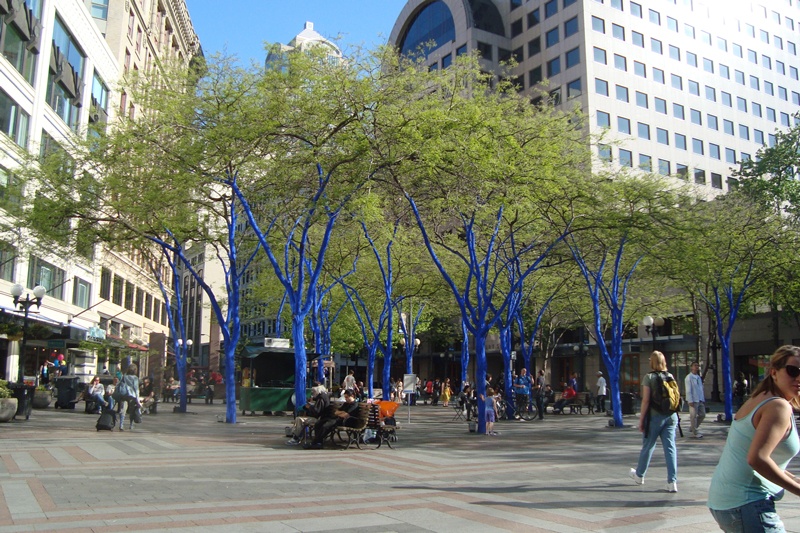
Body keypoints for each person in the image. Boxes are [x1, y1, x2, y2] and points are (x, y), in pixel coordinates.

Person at [708, 345, 800, 532]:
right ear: (774, 373)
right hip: (746, 503)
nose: (798, 377)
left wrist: (794, 478)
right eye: (793, 371)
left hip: (727, 501)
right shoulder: (778, 407)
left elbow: (751, 455)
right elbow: (756, 459)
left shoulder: (760, 397)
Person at [630, 351, 678, 493]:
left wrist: (641, 419)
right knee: (670, 448)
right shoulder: (670, 376)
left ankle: (639, 475)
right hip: (671, 416)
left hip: (655, 417)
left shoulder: (649, 377)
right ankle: (672, 482)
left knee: (648, 445)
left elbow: (645, 400)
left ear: (652, 362)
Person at [684, 362, 706, 439]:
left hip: (700, 399)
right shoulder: (689, 377)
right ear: (691, 367)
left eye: (698, 366)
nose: (696, 367)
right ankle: (695, 431)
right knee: (693, 416)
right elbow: (688, 390)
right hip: (693, 400)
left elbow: (700, 389)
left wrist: (702, 399)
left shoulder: (698, 377)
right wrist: (690, 400)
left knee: (702, 415)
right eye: (695, 365)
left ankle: (693, 427)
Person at [117, 364, 141, 432]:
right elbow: (136, 389)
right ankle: (131, 424)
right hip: (131, 395)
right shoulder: (135, 378)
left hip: (124, 394)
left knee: (123, 410)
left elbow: (120, 385)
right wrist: (138, 399)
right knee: (131, 410)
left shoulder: (124, 376)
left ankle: (121, 425)